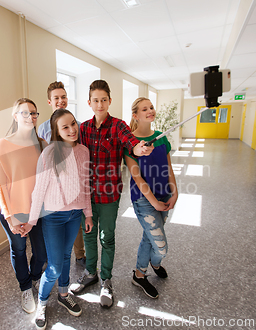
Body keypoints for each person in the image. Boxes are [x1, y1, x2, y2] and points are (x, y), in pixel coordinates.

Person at [70, 80, 154, 308]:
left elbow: (131, 142)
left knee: (107, 238)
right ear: (89, 102)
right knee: (88, 236)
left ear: (109, 101)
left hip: (109, 196)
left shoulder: (118, 126)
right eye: (95, 100)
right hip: (86, 195)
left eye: (104, 100)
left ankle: (106, 280)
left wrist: (140, 148)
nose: (100, 104)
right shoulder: (84, 128)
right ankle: (90, 274)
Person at [27, 108, 93, 330]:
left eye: (73, 124)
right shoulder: (49, 153)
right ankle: (42, 302)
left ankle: (63, 294)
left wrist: (88, 214)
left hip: (75, 215)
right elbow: (39, 189)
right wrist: (32, 220)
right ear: (56, 130)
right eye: (65, 127)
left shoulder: (83, 151)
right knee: (54, 266)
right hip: (54, 217)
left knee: (66, 257)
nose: (72, 129)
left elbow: (85, 185)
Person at [0, 98, 47, 314]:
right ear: (15, 116)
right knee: (19, 250)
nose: (30, 117)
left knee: (42, 254)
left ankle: (34, 278)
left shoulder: (41, 144)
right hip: (13, 212)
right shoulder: (3, 144)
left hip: (38, 213)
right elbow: (0, 183)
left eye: (33, 113)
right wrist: (9, 216)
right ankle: (25, 287)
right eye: (24, 113)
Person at [124, 97, 178, 298]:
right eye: (144, 109)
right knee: (161, 247)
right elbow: (136, 177)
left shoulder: (162, 138)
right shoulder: (130, 143)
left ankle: (139, 274)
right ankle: (156, 262)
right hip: (144, 200)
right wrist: (154, 202)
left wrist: (175, 192)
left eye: (151, 107)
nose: (150, 110)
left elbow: (169, 168)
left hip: (164, 194)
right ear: (135, 115)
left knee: (149, 236)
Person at [37, 81, 87, 268]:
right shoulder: (42, 129)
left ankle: (80, 255)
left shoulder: (78, 125)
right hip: (52, 190)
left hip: (74, 187)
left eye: (63, 97)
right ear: (49, 102)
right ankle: (53, 258)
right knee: (53, 227)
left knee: (76, 225)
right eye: (56, 98)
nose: (61, 101)